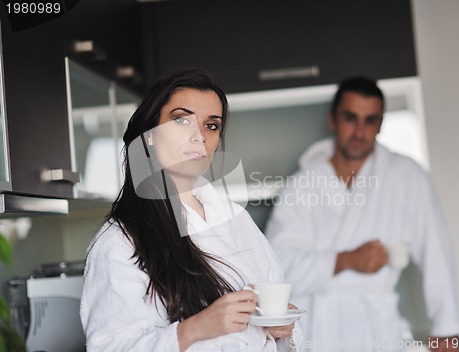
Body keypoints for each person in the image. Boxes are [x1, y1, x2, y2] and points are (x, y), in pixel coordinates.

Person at [80, 68, 302, 351]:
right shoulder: (120, 240)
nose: (199, 136)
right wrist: (196, 328)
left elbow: (278, 315)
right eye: (182, 120)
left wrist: (283, 329)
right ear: (150, 135)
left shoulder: (237, 220)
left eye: (211, 125)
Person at [265, 77, 459, 351]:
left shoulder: (407, 176)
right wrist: (346, 260)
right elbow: (276, 269)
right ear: (332, 120)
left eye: (370, 121)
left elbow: (436, 253)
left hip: (376, 330)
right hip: (318, 329)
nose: (360, 131)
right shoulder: (302, 184)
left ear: (380, 124)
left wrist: (447, 331)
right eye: (350, 118)